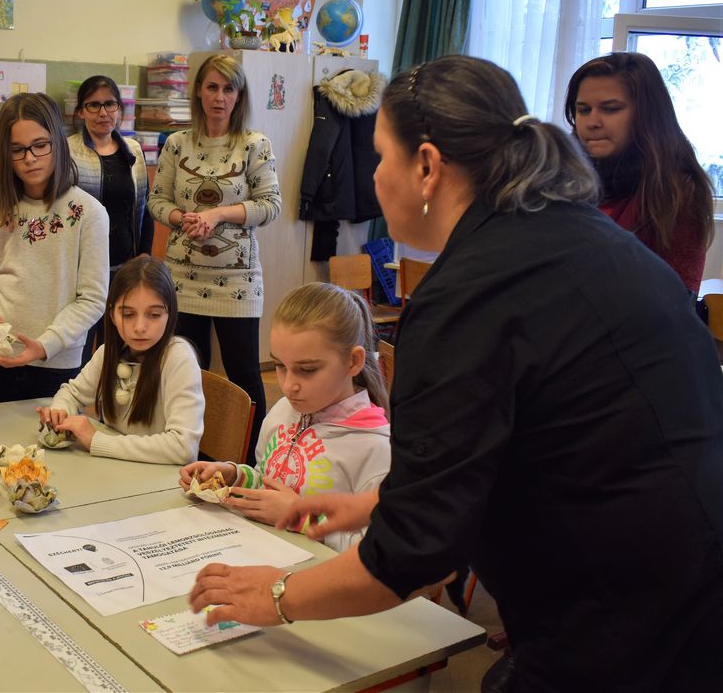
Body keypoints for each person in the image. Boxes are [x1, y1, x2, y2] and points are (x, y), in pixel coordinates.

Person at [189, 55, 723, 692]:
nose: (374, 176)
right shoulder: (575, 235)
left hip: (627, 615)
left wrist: (276, 594)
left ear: (427, 165)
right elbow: (519, 444)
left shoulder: (468, 296)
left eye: (381, 156)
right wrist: (371, 503)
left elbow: (411, 554)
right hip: (689, 579)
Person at [179, 282, 389, 552]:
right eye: (280, 366)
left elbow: (378, 550)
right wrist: (234, 476)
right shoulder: (283, 410)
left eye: (307, 370)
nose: (289, 385)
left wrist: (300, 516)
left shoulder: (376, 448)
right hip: (257, 551)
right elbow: (267, 480)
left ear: (353, 361)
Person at [147, 54, 281, 465]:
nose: (219, 97)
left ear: (239, 96)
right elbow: (157, 200)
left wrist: (218, 214)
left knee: (244, 374)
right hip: (182, 279)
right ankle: (193, 454)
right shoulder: (176, 144)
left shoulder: (255, 144)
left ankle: (251, 463)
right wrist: (180, 218)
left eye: (228, 88)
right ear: (199, 92)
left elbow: (270, 205)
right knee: (188, 371)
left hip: (238, 282)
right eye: (212, 87)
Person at [0, 92, 108, 404]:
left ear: (58, 142)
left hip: (56, 365)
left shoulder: (89, 213)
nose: (29, 158)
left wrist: (45, 345)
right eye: (17, 150)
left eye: (40, 145)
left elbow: (92, 299)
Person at [565, 51, 715, 295]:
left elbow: (675, 300)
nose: (592, 122)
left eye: (610, 109)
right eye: (583, 110)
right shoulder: (561, 179)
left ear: (646, 115)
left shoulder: (676, 191)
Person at [37, 256, 203, 465]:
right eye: (128, 314)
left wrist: (96, 440)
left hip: (158, 479)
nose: (140, 327)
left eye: (154, 315)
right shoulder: (108, 353)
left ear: (170, 314)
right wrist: (61, 411)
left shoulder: (178, 358)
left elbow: (184, 447)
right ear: (112, 315)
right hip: (115, 470)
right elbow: (72, 393)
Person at [67, 75, 153, 359]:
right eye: (93, 105)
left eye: (109, 104)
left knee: (117, 353)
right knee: (79, 351)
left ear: (119, 108)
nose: (102, 112)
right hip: (81, 272)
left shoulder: (134, 150)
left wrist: (144, 254)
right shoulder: (68, 151)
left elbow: (145, 206)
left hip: (124, 269)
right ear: (81, 111)